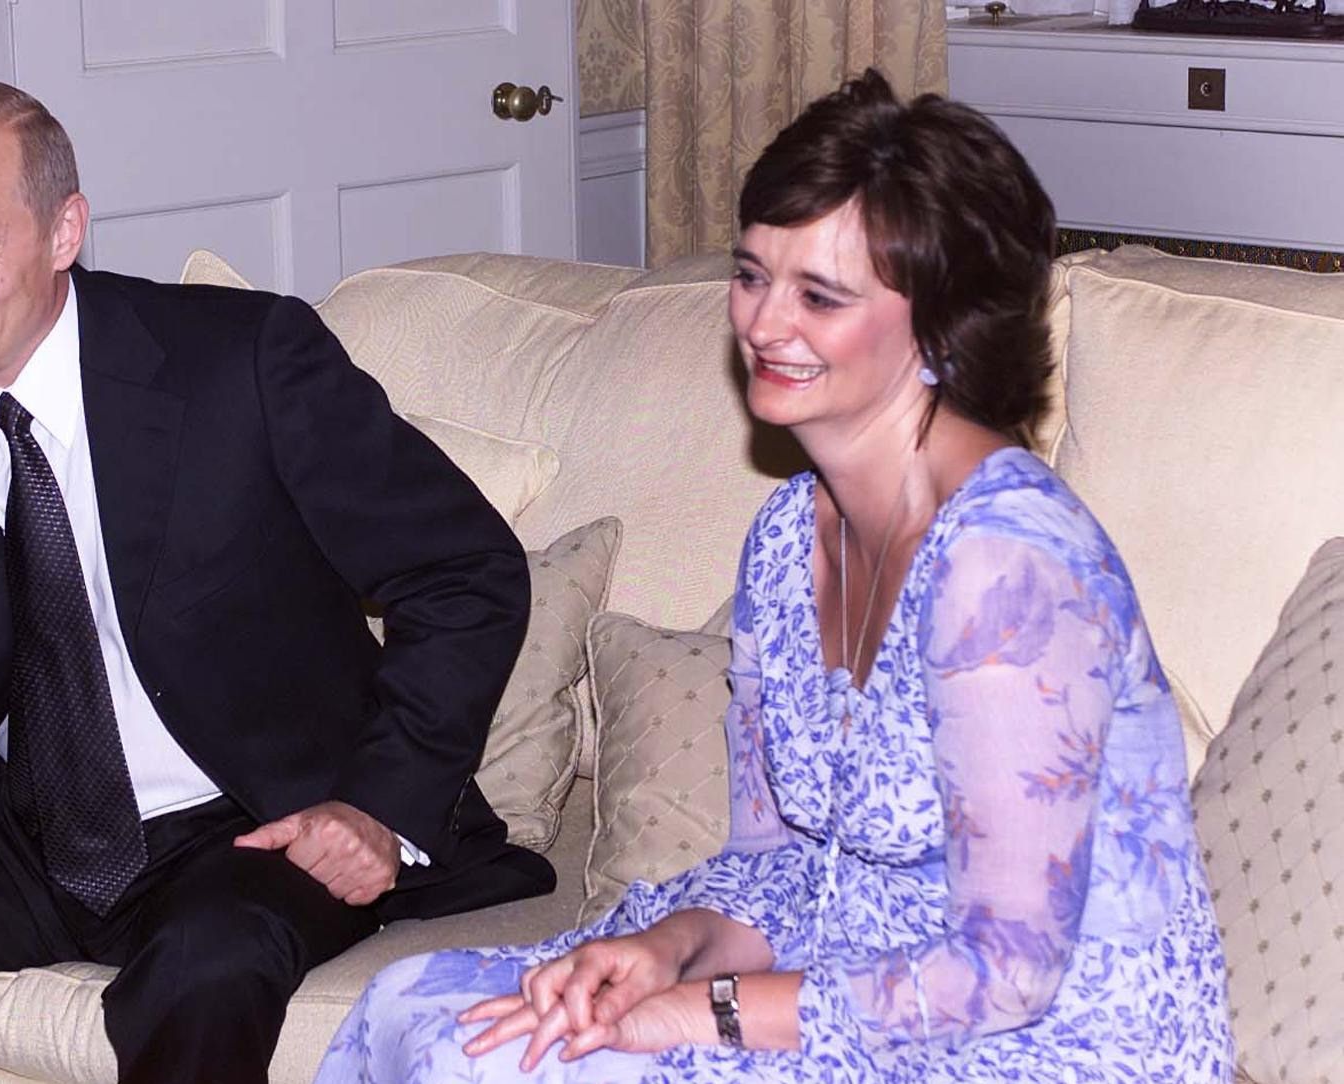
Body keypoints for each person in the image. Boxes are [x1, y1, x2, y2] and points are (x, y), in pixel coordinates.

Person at [314, 69, 1234, 1083]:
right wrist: (663, 950)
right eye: (752, 275)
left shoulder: (1010, 567)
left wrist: (697, 1009)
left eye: (818, 296)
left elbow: (1006, 974)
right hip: (837, 973)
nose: (763, 323)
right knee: (416, 1003)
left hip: (1039, 1041)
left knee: (509, 1065)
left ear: (942, 326)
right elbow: (777, 862)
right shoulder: (788, 534)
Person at [0, 77, 554, 1083]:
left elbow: (463, 568)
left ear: (63, 231)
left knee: (206, 961)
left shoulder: (242, 363)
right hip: (24, 830)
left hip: (253, 821)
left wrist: (377, 805)